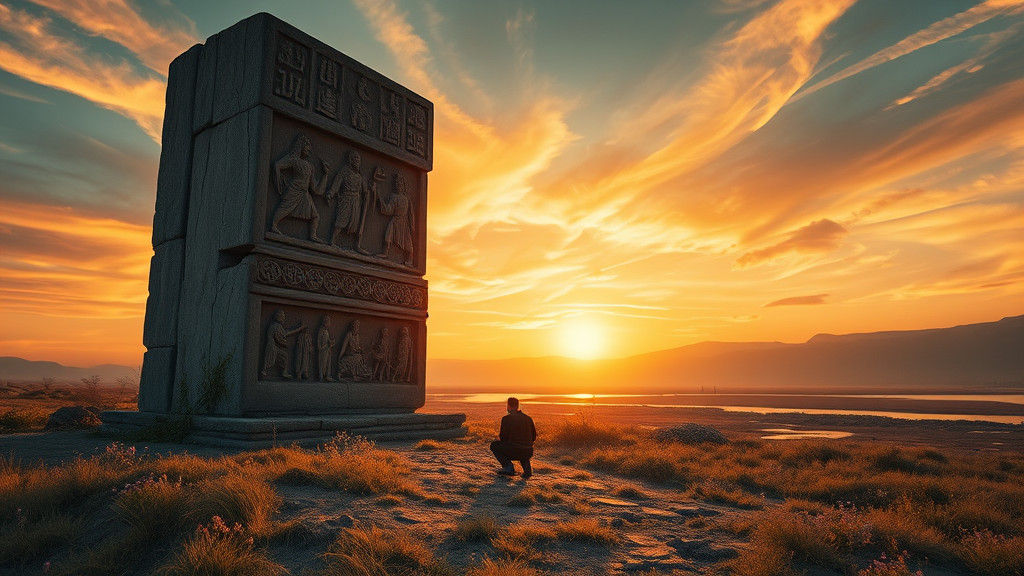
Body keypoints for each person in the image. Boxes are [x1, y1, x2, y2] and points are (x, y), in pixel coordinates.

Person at [490, 397, 537, 478]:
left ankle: (508, 467)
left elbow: (503, 438)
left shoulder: (506, 419)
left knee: (494, 445)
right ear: (517, 406)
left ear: (508, 406)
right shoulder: (528, 418)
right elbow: (534, 437)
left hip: (515, 451)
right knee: (523, 446)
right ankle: (527, 470)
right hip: (528, 452)